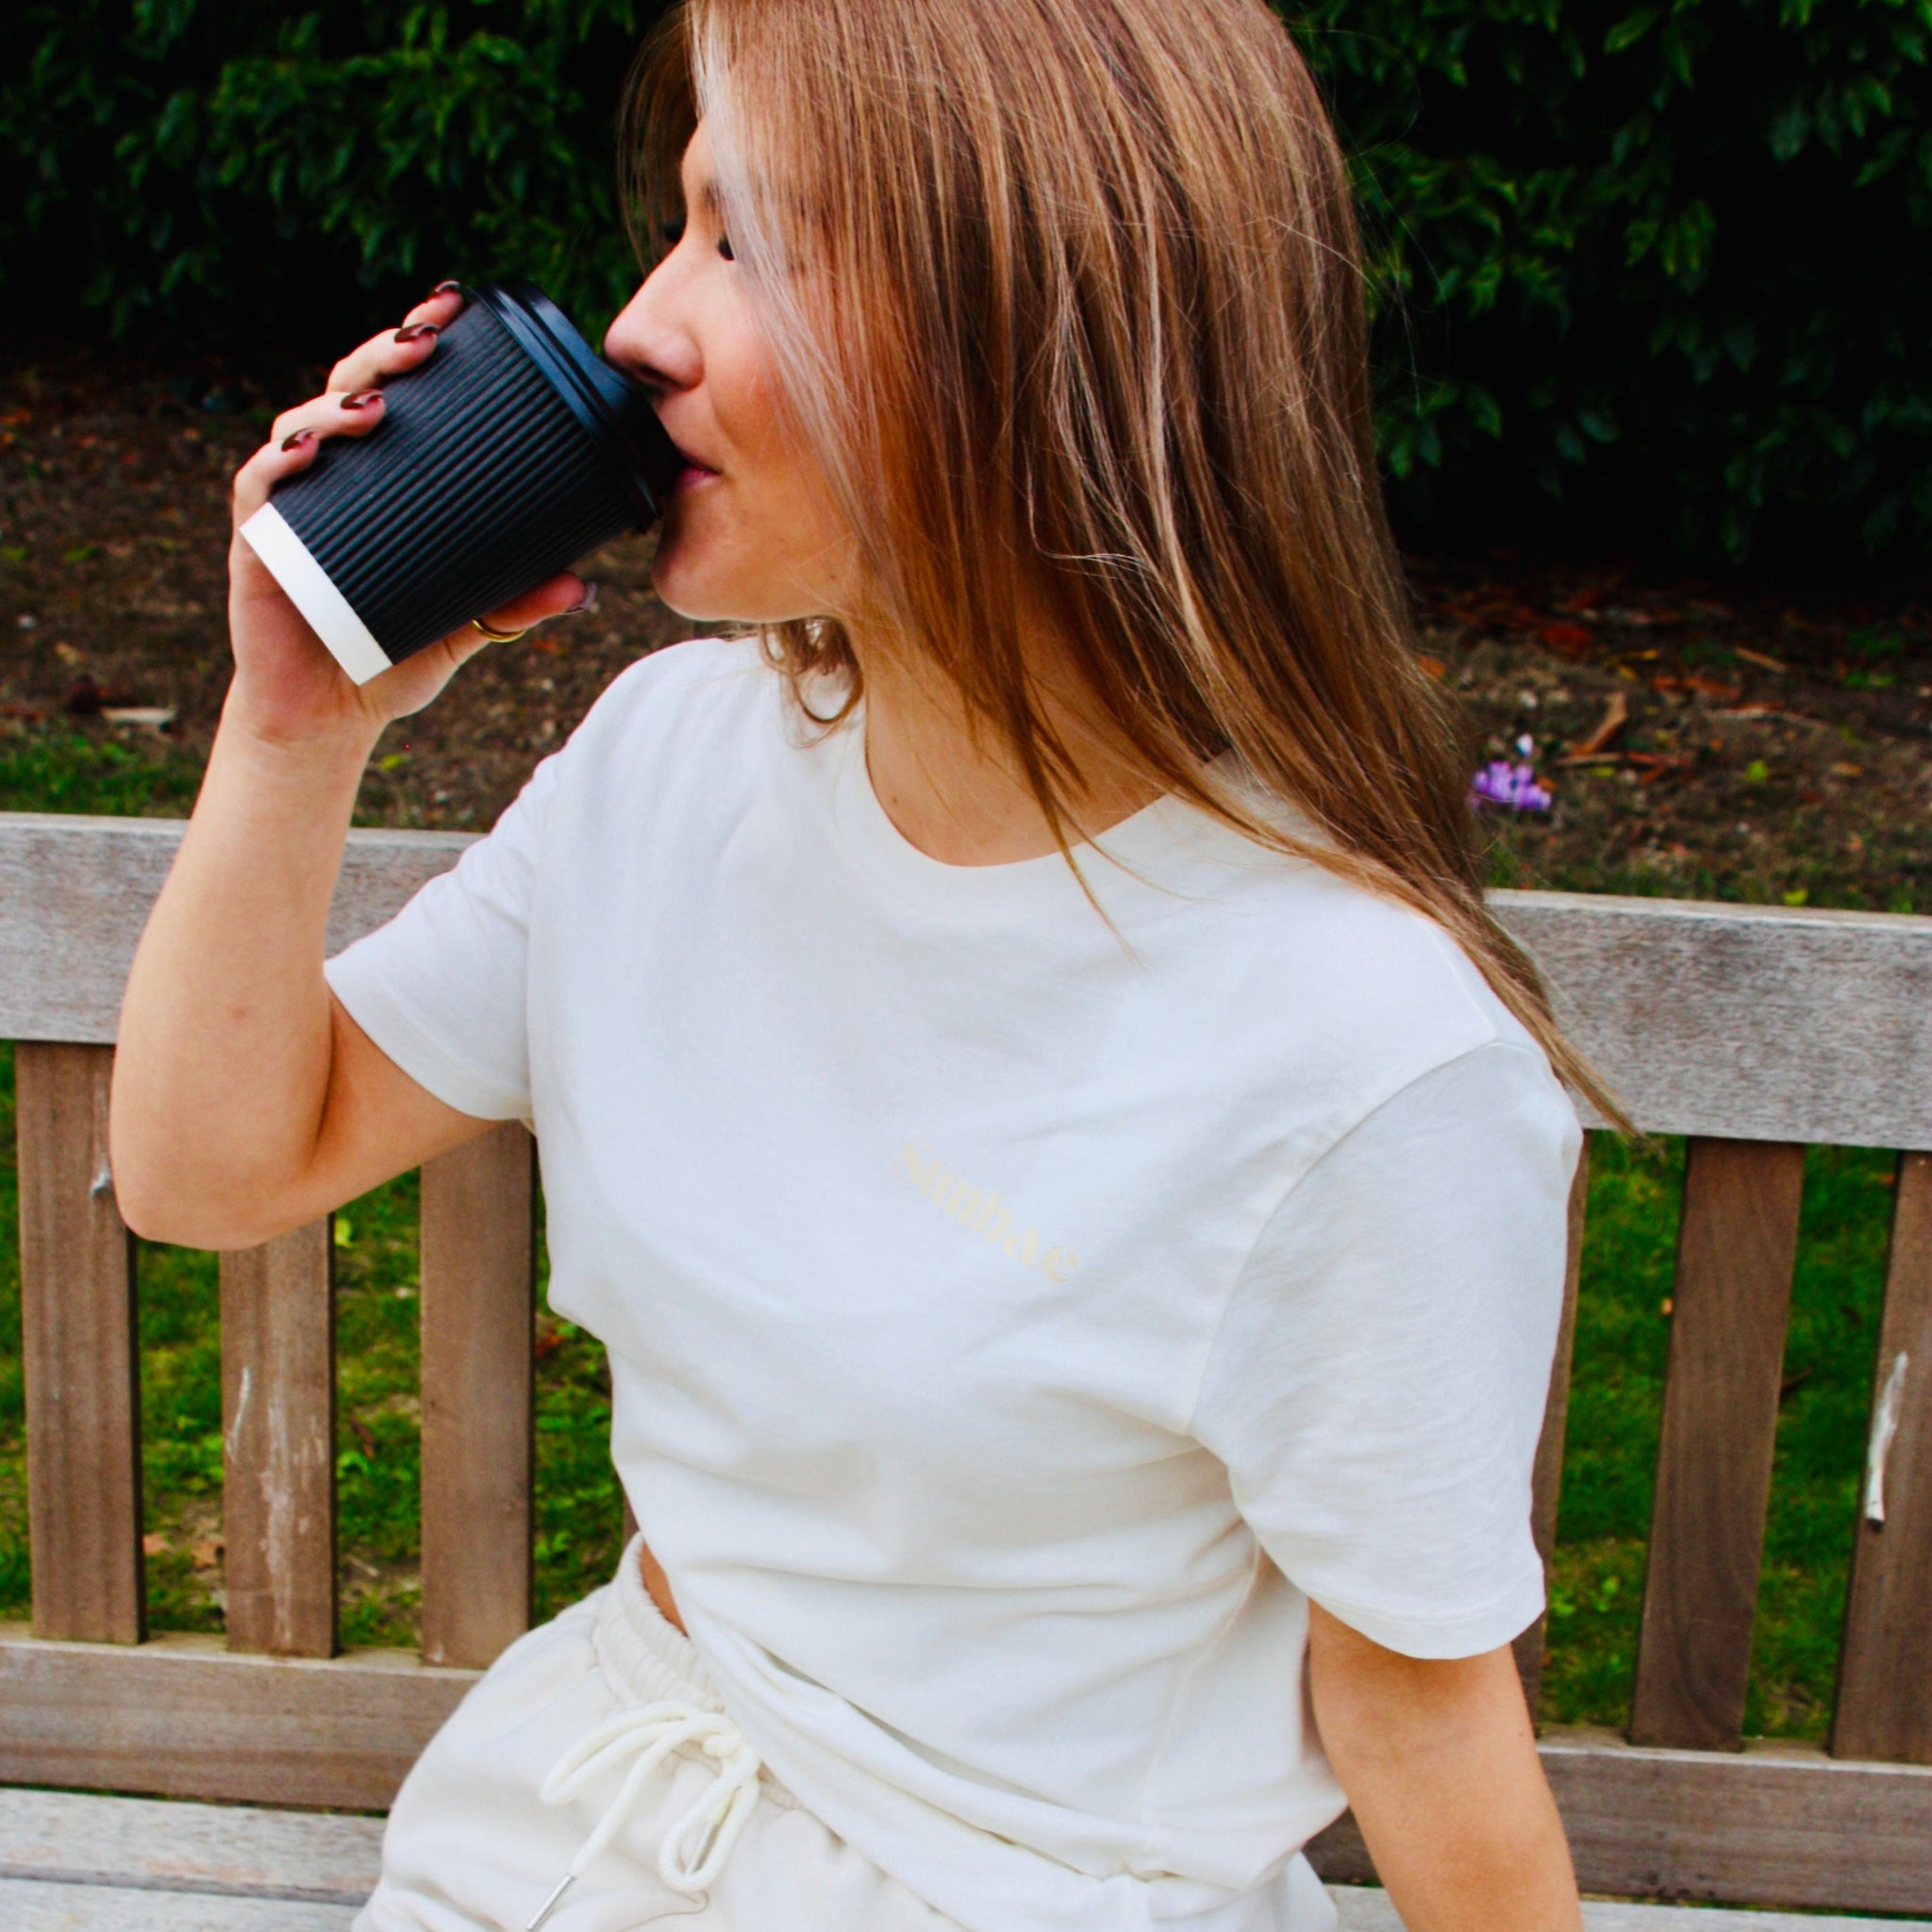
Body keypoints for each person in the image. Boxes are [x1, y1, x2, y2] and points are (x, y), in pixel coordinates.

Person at [110, 1, 1616, 1926]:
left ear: (1042, 331)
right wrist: (296, 725)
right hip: (580, 1822)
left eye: (749, 243)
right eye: (679, 226)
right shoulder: (673, 768)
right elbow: (209, 1168)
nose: (643, 326)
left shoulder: (1360, 1050)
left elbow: (1416, 1714)